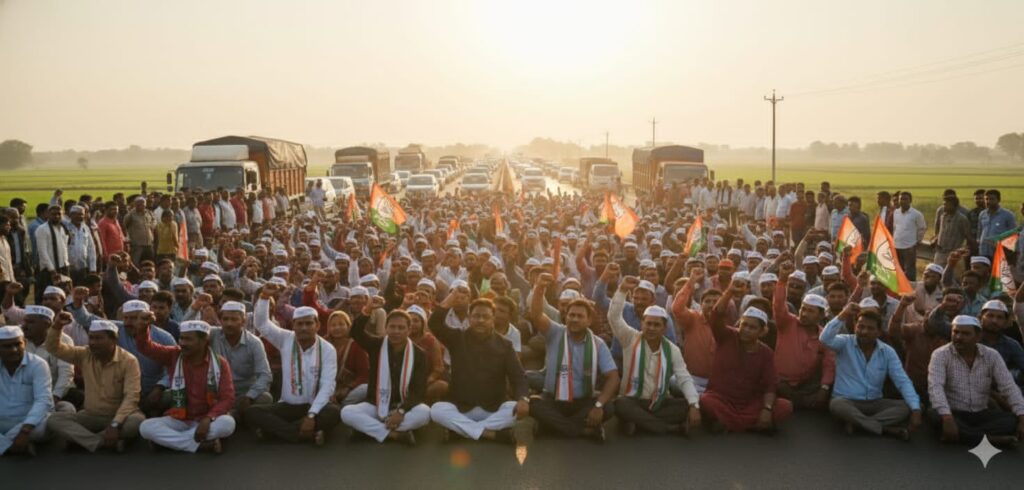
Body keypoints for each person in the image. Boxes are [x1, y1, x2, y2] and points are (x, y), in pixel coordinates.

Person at [528, 273, 620, 441]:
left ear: (589, 320)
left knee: (608, 408)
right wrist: (539, 288)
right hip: (554, 399)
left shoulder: (598, 343)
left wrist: (598, 405)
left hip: (583, 401)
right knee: (533, 404)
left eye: (580, 316)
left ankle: (551, 426)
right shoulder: (555, 332)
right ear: (566, 316)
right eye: (571, 315)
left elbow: (613, 377)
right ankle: (583, 431)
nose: (574, 319)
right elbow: (536, 315)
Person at [428, 292, 530, 443]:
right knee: (437, 410)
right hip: (462, 408)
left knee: (513, 408)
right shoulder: (457, 338)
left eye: (485, 317)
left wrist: (523, 399)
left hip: (493, 408)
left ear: (493, 319)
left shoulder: (505, 345)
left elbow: (519, 377)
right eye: (476, 316)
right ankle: (490, 434)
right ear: (469, 318)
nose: (480, 320)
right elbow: (434, 324)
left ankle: (461, 432)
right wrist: (449, 300)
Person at [609, 276, 701, 436]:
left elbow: (684, 378)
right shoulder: (629, 337)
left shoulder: (672, 349)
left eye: (656, 325)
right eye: (648, 323)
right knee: (620, 404)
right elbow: (614, 317)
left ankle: (639, 423)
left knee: (686, 406)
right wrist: (622, 290)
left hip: (660, 401)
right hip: (632, 399)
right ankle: (669, 428)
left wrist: (694, 405)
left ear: (664, 328)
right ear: (642, 324)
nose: (651, 328)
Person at [248, 286, 339, 445]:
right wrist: (264, 297)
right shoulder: (285, 339)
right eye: (299, 324)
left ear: (317, 325)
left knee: (334, 413)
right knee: (253, 412)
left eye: (308, 323)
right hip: (288, 406)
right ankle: (304, 433)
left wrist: (311, 415)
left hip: (315, 405)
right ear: (293, 325)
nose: (304, 328)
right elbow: (261, 324)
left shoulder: (327, 349)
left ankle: (276, 432)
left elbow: (327, 385)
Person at [702, 280, 793, 433]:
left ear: (762, 332)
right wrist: (729, 291)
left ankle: (730, 424)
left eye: (752, 327)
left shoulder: (766, 353)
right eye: (744, 325)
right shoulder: (727, 336)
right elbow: (716, 316)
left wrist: (767, 409)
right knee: (705, 400)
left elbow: (770, 385)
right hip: (722, 399)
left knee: (785, 406)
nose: (746, 330)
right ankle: (750, 425)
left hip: (749, 402)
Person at [820, 303, 922, 439]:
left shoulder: (887, 351)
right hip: (847, 401)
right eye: (860, 326)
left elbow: (902, 381)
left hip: (874, 402)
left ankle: (858, 424)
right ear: (855, 327)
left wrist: (915, 409)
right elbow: (825, 339)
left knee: (908, 406)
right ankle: (885, 429)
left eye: (870, 328)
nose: (864, 331)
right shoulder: (844, 342)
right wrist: (843, 314)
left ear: (879, 332)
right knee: (836, 404)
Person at [46, 314, 145, 453]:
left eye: (98, 338)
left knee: (135, 423)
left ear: (113, 340)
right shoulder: (85, 354)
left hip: (122, 416)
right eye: (91, 338)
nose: (92, 343)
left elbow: (131, 397)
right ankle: (100, 442)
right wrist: (57, 327)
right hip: (92, 415)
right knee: (54, 420)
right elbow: (54, 348)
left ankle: (82, 440)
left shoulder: (129, 361)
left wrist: (115, 424)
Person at [136, 319, 236, 453]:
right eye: (181, 338)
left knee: (228, 424)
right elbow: (146, 348)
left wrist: (208, 418)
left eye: (188, 339)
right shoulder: (174, 355)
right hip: (180, 418)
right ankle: (198, 444)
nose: (182, 343)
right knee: (146, 427)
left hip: (208, 418)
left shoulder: (219, 363)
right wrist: (143, 328)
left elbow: (227, 398)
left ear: (204, 341)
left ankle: (169, 443)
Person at [927, 315, 1024, 447]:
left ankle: (966, 436)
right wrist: (947, 417)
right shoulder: (940, 354)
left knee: (1012, 420)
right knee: (934, 414)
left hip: (980, 413)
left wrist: (1022, 416)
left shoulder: (992, 355)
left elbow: (1009, 387)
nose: (959, 337)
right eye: (955, 332)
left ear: (978, 336)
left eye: (965, 334)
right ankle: (990, 439)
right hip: (953, 412)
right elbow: (935, 387)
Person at [341, 308, 430, 445]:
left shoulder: (419, 354)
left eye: (401, 327)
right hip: (376, 404)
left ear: (409, 330)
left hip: (403, 405)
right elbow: (355, 332)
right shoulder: (376, 345)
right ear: (386, 328)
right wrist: (366, 311)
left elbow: (418, 390)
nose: (396, 331)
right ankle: (394, 434)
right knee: (347, 412)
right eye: (392, 327)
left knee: (425, 412)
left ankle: (369, 430)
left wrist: (401, 411)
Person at [773, 262, 835, 409]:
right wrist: (782, 281)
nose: (804, 314)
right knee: (779, 387)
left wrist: (824, 388)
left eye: (810, 311)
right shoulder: (788, 322)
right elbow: (778, 306)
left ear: (821, 315)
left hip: (806, 384)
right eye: (803, 309)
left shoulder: (824, 335)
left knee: (827, 389)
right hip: (781, 381)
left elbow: (829, 363)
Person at [0, 325, 52, 456]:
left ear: (25, 343)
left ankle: (6, 445)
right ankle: (12, 446)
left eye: (17, 344)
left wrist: (25, 430)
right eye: (7, 346)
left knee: (48, 424)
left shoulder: (38, 364)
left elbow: (43, 400)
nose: (14, 350)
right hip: (2, 421)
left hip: (30, 423)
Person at [33, 205, 70, 304]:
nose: (56, 216)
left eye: (59, 214)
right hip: (47, 270)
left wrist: (66, 264)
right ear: (48, 215)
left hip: (63, 267)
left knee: (62, 297)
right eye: (53, 214)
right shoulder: (42, 229)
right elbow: (42, 252)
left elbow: (64, 248)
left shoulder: (63, 228)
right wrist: (52, 270)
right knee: (46, 297)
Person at [892, 192, 926, 281]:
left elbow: (922, 228)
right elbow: (895, 227)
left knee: (909, 271)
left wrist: (916, 242)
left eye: (905, 199)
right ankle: (900, 287)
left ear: (910, 201)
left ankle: (911, 287)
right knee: (898, 270)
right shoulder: (896, 212)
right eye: (901, 199)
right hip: (897, 245)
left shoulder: (916, 214)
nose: (903, 201)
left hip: (909, 247)